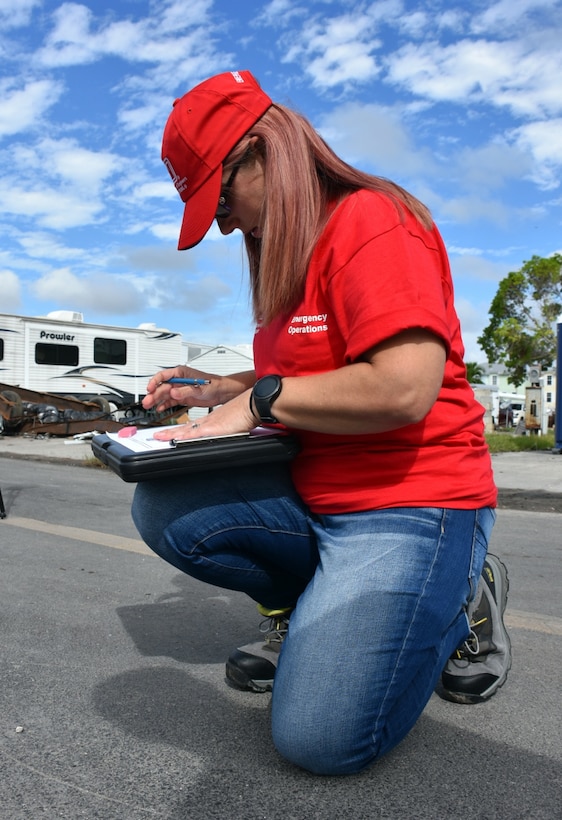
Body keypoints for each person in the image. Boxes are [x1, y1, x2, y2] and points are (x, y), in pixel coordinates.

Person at [132, 70, 511, 775]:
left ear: (262, 151)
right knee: (167, 506)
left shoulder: (372, 220)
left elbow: (403, 388)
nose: (220, 225)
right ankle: (305, 617)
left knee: (319, 739)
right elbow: (311, 370)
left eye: (217, 198)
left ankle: (462, 592)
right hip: (318, 499)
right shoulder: (286, 258)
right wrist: (220, 387)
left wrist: (256, 403)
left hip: (410, 504)